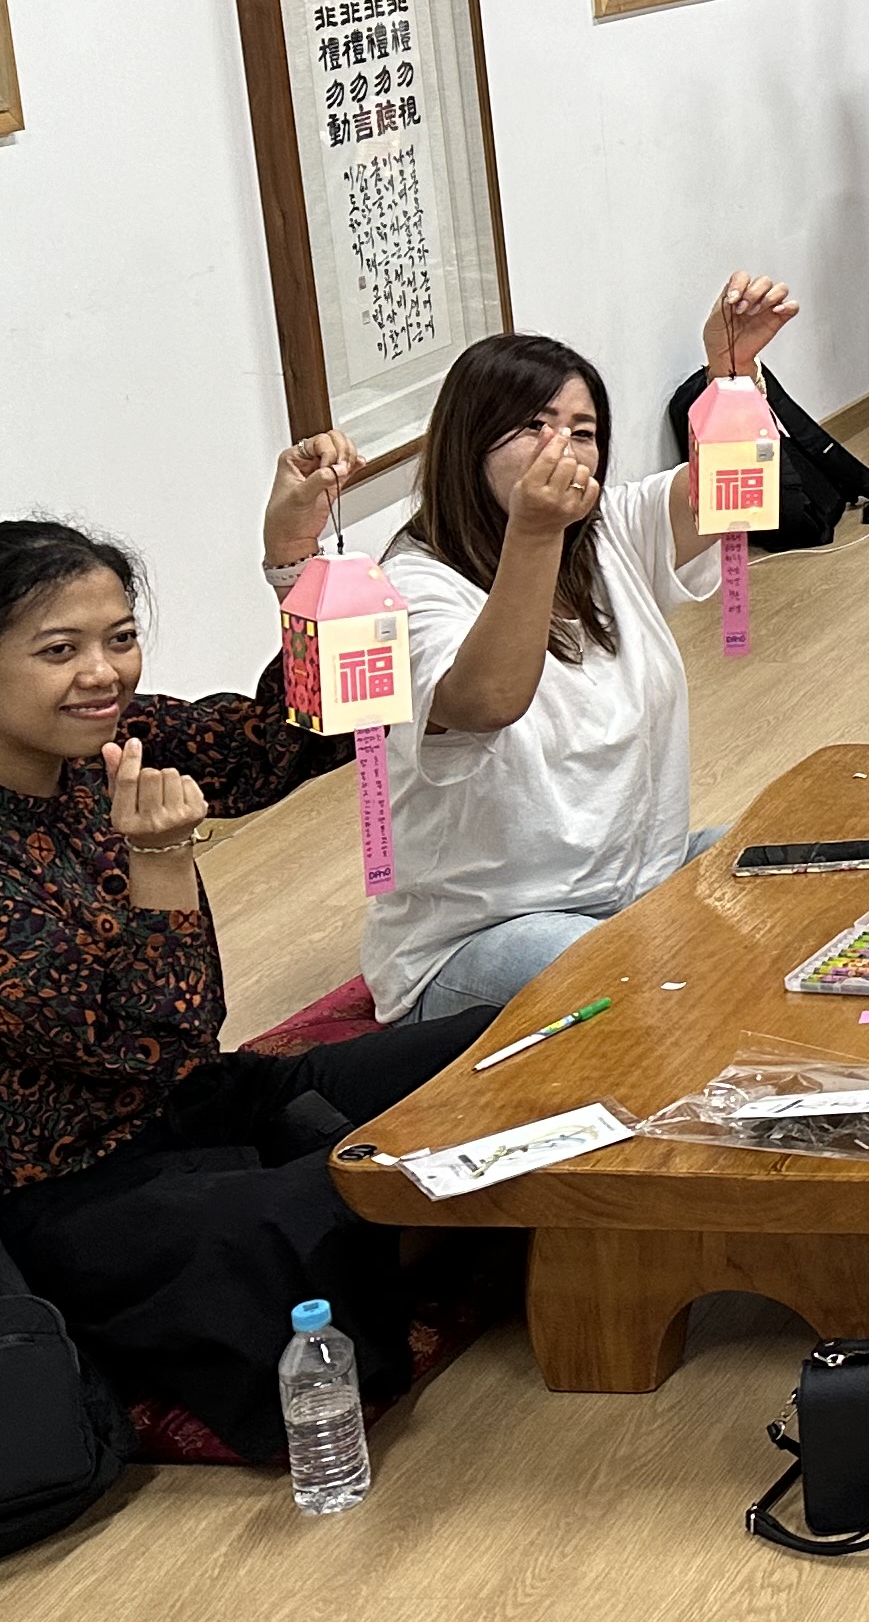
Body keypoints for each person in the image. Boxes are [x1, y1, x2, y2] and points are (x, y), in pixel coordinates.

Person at [0, 462, 498, 1459]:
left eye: (119, 638)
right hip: (66, 1186)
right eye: (61, 650)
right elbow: (152, 1037)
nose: (103, 674)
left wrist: (295, 564)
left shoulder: (116, 745)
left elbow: (288, 738)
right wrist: (159, 861)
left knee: (498, 1048)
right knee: (316, 1218)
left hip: (193, 1104)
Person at [368, 278, 795, 1022]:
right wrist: (533, 534)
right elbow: (486, 703)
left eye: (584, 430)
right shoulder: (408, 587)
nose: (562, 447)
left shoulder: (608, 531)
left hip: (642, 889)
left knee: (807, 869)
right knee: (638, 981)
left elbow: (731, 490)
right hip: (488, 932)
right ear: (470, 441)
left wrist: (730, 374)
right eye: (534, 426)